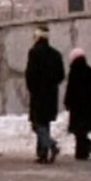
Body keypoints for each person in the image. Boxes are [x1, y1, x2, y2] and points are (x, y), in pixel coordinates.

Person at [24, 24, 65, 164]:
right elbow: (61, 75)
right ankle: (42, 153)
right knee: (44, 123)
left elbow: (30, 74)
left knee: (37, 124)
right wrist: (51, 84)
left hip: (38, 93)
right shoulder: (55, 54)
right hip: (51, 94)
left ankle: (51, 145)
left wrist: (32, 88)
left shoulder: (34, 52)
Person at [63, 47, 91, 160]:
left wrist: (67, 102)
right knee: (82, 130)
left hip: (77, 106)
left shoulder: (73, 72)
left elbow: (70, 89)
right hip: (88, 106)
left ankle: (82, 150)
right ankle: (83, 150)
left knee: (79, 131)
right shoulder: (90, 71)